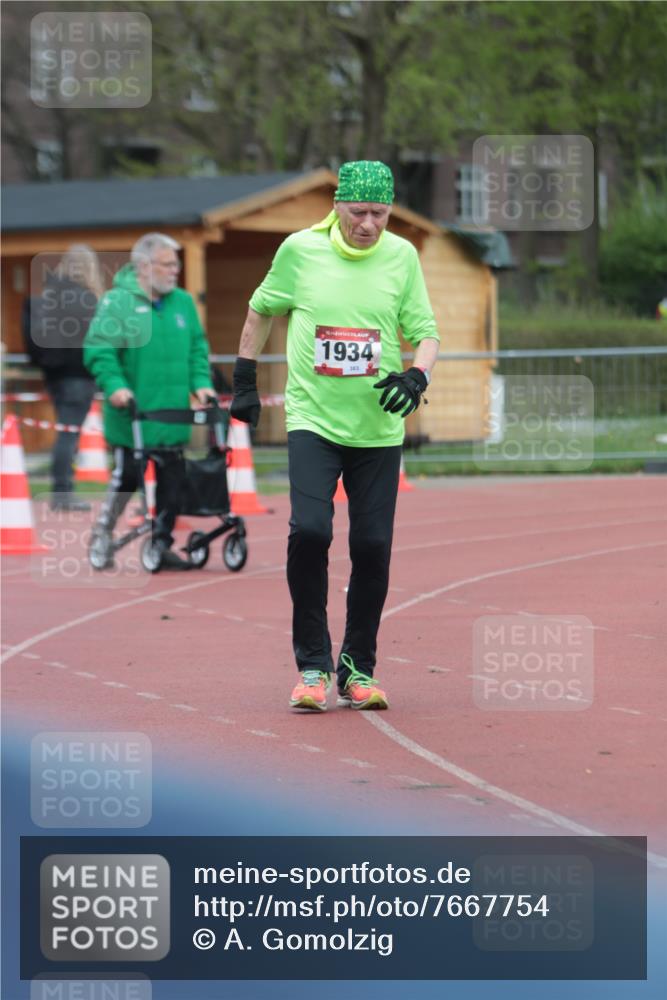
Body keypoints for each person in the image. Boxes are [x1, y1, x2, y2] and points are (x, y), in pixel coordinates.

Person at [230, 160, 439, 710]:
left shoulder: (402, 257)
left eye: (380, 213)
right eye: (358, 212)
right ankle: (313, 666)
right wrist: (244, 379)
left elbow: (426, 333)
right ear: (337, 205)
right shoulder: (299, 250)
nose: (369, 224)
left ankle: (357, 669)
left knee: (372, 546)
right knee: (312, 532)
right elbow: (260, 308)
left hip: (377, 428)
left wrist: (419, 374)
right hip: (313, 422)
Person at [84, 232, 216, 570]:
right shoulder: (118, 302)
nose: (175, 270)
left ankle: (162, 544)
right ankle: (102, 533)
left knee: (173, 481)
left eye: (177, 264)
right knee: (128, 476)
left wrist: (201, 384)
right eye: (167, 264)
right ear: (143, 266)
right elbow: (100, 350)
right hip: (133, 416)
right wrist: (114, 385)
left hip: (172, 416)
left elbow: (198, 350)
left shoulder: (183, 302)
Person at [24, 244, 102, 511]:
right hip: (79, 374)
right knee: (69, 434)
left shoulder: (50, 294)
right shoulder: (86, 300)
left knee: (65, 432)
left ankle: (62, 490)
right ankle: (62, 492)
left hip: (54, 374)